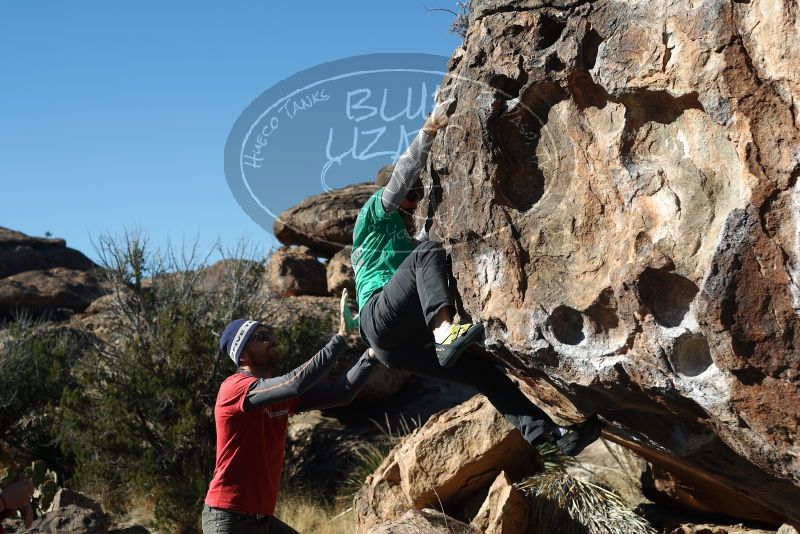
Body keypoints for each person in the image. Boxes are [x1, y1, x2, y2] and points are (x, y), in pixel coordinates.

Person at [349, 96, 601, 456]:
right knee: (428, 252)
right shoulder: (373, 213)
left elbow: (425, 243)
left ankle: (548, 441)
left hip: (396, 346)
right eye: (412, 195)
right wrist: (429, 131)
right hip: (380, 319)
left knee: (482, 373)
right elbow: (402, 179)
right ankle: (443, 331)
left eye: (419, 195)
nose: (415, 200)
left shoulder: (398, 239)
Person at [202, 289, 377, 534]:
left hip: (262, 520)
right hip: (228, 519)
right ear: (242, 356)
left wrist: (372, 355)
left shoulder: (280, 397)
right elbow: (295, 382)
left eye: (270, 333)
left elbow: (341, 392)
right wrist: (339, 338)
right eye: (261, 336)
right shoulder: (234, 389)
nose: (272, 339)